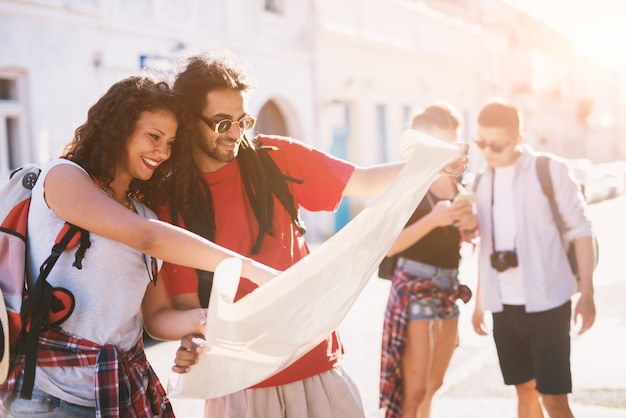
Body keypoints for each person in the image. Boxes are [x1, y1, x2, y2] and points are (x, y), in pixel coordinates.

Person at [159, 47, 469, 418]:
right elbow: (182, 308)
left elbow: (364, 180)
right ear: (189, 120)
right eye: (222, 123)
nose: (237, 134)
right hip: (242, 384)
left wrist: (435, 164)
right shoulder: (171, 200)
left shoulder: (277, 156)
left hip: (317, 364)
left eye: (244, 121)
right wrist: (194, 337)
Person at [0, 74, 278, 418]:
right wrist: (248, 269)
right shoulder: (63, 177)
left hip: (123, 390)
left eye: (171, 142)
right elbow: (147, 236)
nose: (162, 152)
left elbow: (155, 318)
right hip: (50, 398)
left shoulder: (144, 213)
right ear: (118, 130)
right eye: (153, 136)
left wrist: (202, 321)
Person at [470, 99, 596, 418]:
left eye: (496, 144)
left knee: (554, 400)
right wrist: (480, 304)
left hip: (548, 302)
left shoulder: (549, 170)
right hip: (504, 306)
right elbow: (485, 245)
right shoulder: (481, 182)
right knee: (524, 393)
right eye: (481, 142)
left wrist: (588, 295)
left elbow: (581, 231)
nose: (487, 152)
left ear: (518, 138)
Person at [378, 102, 477, 418]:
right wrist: (434, 220)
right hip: (413, 286)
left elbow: (460, 237)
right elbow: (388, 247)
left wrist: (469, 225)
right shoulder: (409, 181)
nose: (450, 152)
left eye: (452, 142)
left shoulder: (457, 182)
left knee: (434, 385)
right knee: (414, 389)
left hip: (448, 287)